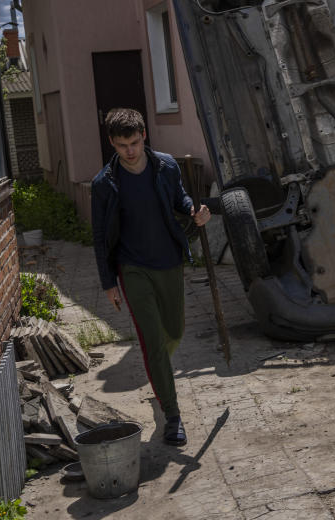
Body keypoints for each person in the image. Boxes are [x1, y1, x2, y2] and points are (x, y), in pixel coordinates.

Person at [90, 108, 210, 446]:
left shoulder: (165, 166)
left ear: (145, 136)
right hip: (132, 268)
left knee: (175, 330)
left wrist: (193, 211)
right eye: (122, 145)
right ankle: (172, 416)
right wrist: (108, 282)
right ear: (112, 142)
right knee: (153, 339)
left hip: (168, 260)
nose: (130, 150)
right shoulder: (104, 184)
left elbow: (180, 197)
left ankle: (158, 374)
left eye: (135, 142)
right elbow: (100, 237)